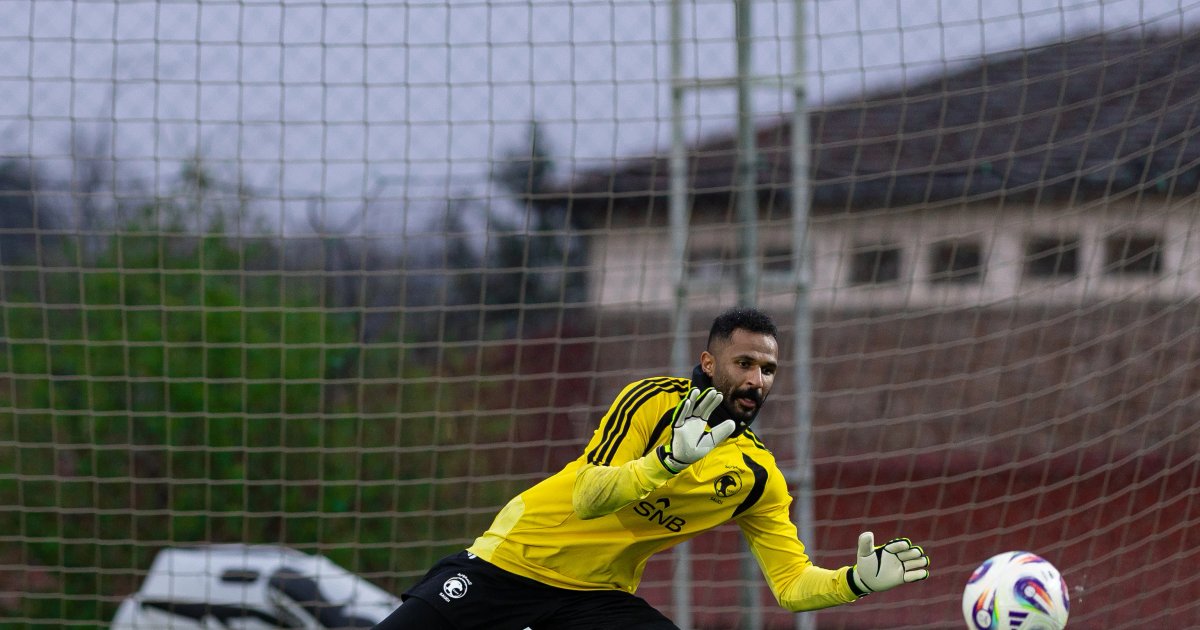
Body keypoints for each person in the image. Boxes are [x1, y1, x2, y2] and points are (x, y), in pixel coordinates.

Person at [374, 306, 930, 630]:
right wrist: (666, 462)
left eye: (768, 369)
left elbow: (790, 585)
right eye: (744, 363)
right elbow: (590, 496)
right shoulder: (653, 400)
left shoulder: (757, 476)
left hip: (595, 599)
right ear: (709, 362)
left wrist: (854, 581)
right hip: (511, 563)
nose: (756, 380)